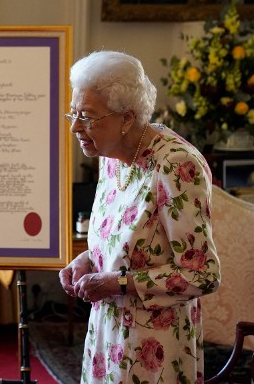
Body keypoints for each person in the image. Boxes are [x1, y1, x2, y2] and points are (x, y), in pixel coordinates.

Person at [58, 51, 221, 384]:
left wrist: (117, 283)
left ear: (127, 118)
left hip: (154, 347)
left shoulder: (176, 166)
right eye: (73, 113)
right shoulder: (110, 155)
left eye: (87, 116)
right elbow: (130, 237)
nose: (75, 127)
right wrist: (89, 259)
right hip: (107, 333)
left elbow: (204, 274)